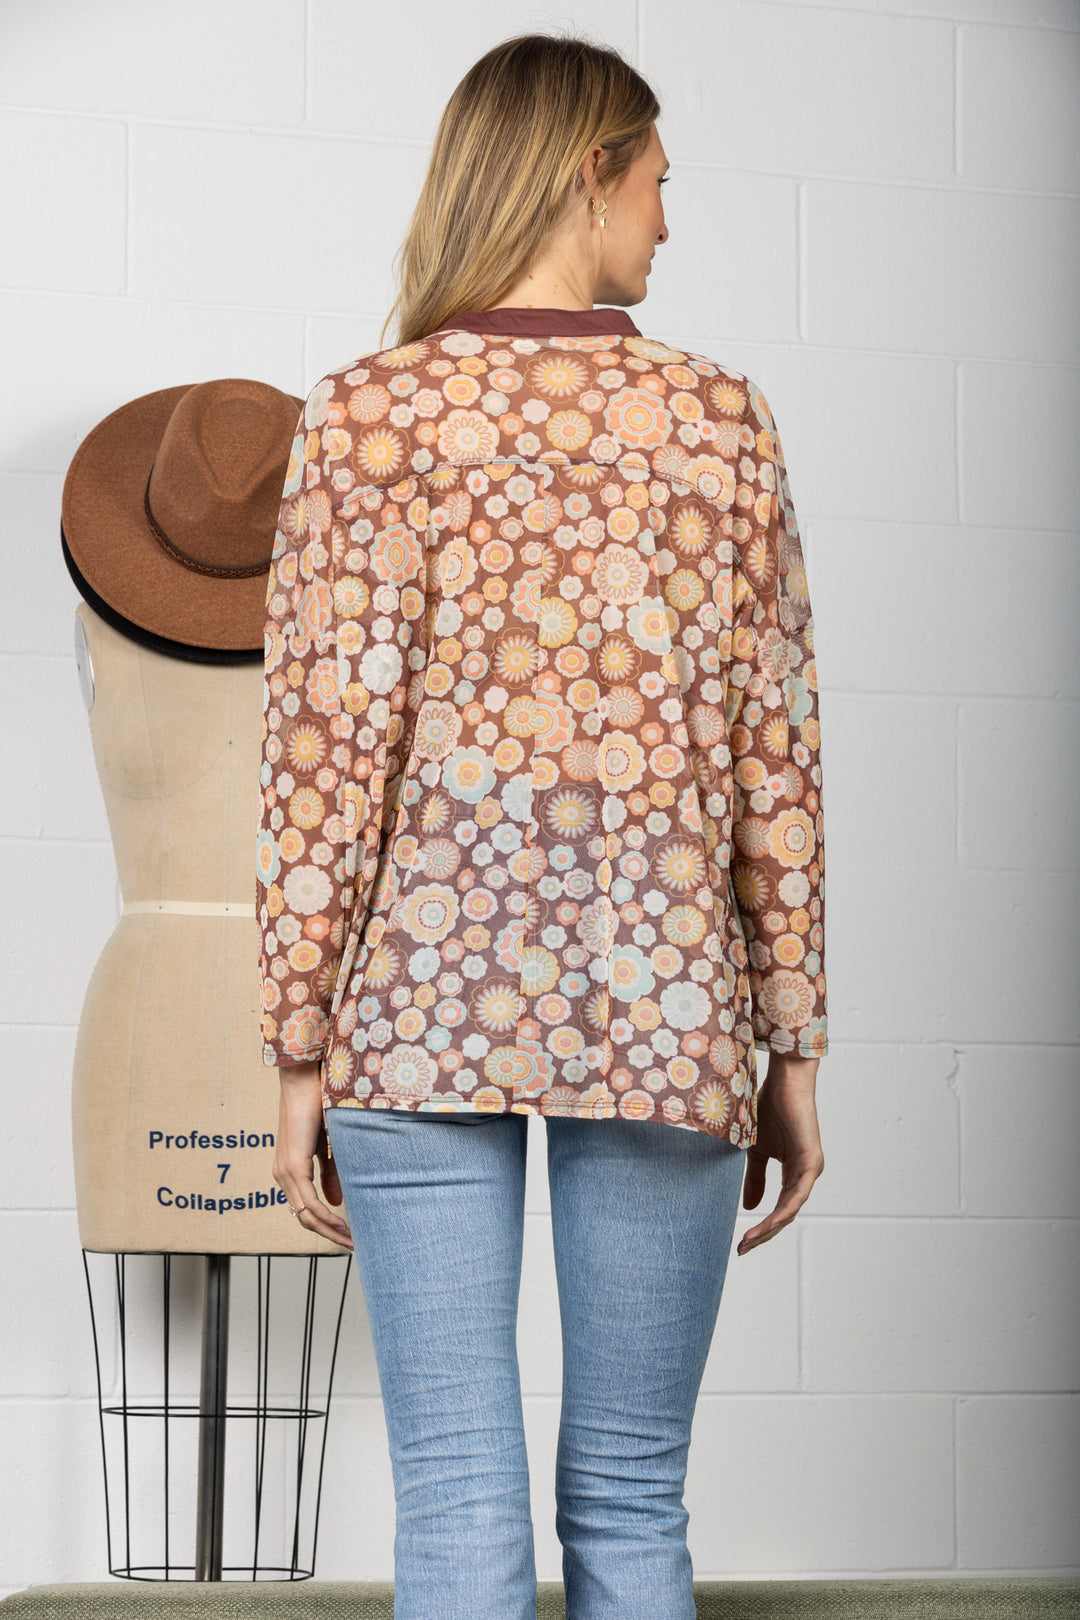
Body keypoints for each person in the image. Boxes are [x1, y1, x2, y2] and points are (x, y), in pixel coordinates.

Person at [259, 32, 827, 1620]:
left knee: (453, 1495)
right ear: (590, 172)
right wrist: (790, 1043)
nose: (668, 223)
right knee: (634, 1498)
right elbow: (773, 758)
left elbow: (320, 754)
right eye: (658, 184)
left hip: (415, 1001)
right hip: (669, 1005)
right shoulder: (720, 421)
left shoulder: (366, 418)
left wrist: (297, 1046)